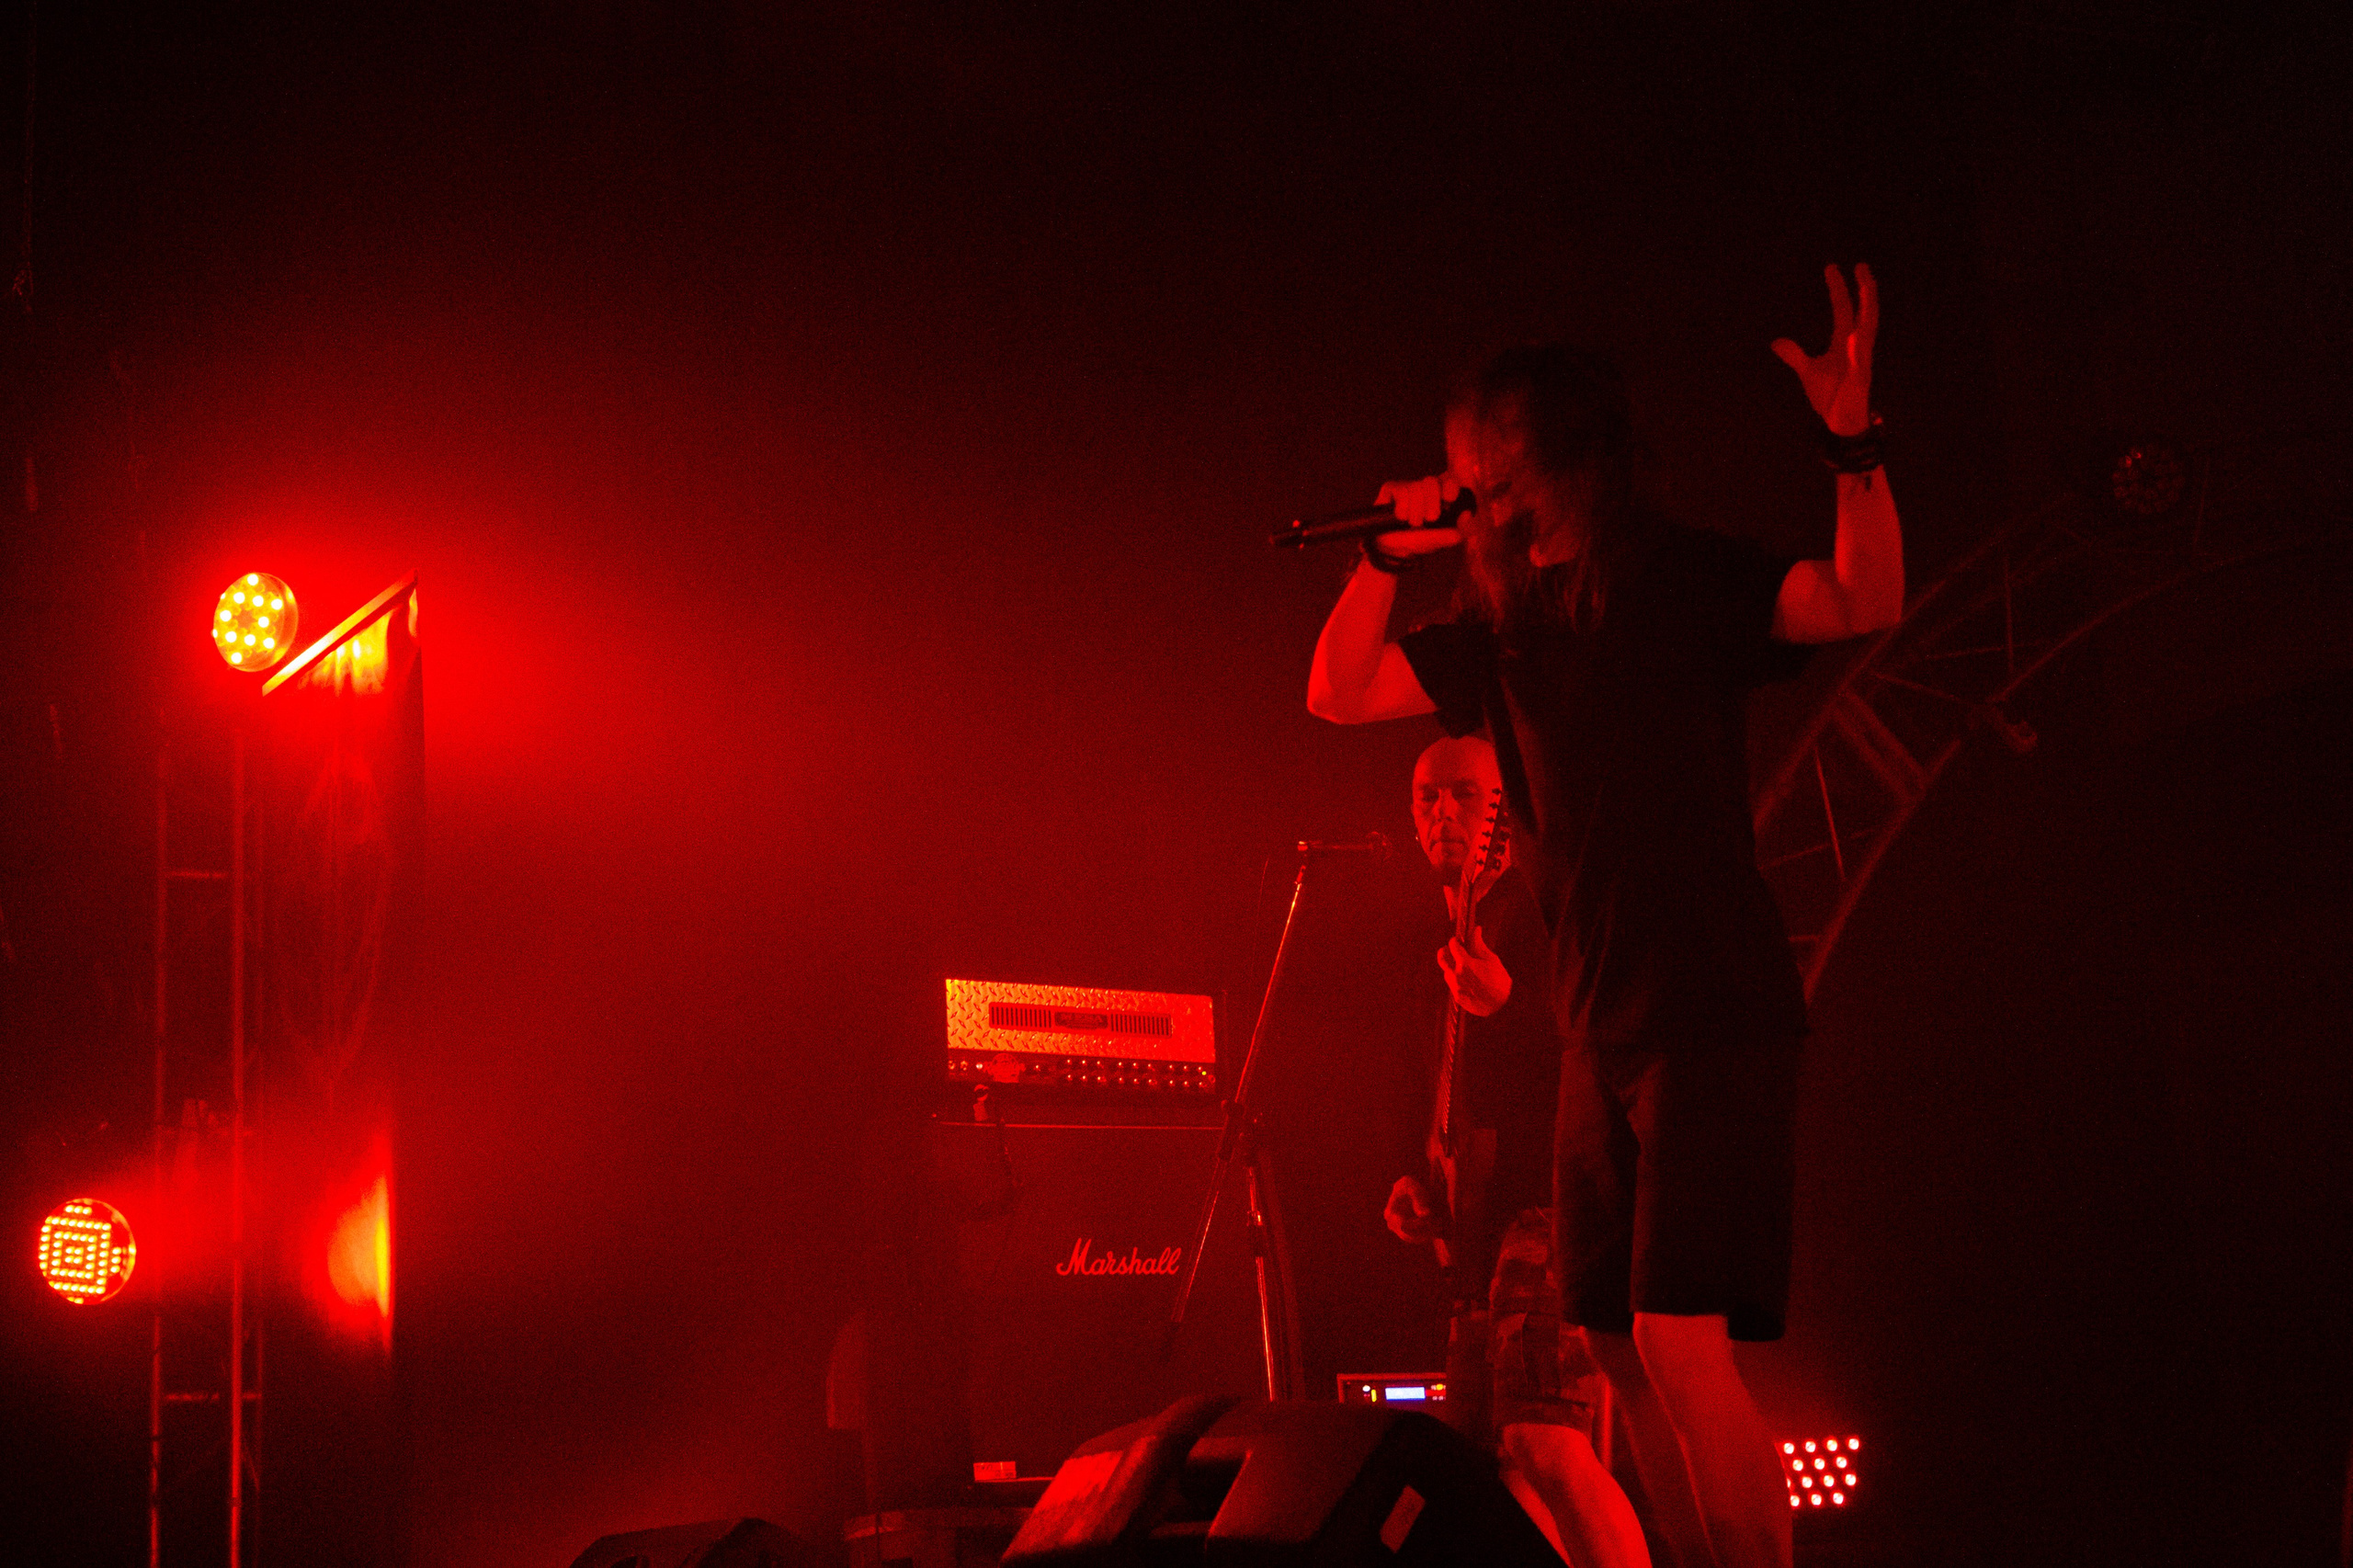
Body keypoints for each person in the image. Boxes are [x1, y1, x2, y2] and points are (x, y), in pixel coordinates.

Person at [1308, 267, 1902, 1568]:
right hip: (1598, 1027)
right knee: (1619, 1352)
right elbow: (1339, 693)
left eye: (1490, 456)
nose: (1471, 478)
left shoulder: (1680, 580)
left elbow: (1863, 599)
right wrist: (1377, 557)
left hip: (1711, 1008)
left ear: (1560, 454)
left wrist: (1852, 443)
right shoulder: (1504, 623)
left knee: (1684, 1341)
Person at [1384, 733, 1650, 1568]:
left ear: (1503, 809)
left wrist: (1516, 1003)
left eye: (1465, 794)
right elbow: (1463, 1099)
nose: (1444, 814)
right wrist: (1421, 1182)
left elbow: (1617, 1044)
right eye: (1428, 798)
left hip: (1556, 1205)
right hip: (1484, 1225)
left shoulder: (1549, 904)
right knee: (1493, 1468)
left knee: (1545, 1438)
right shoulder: (1446, 934)